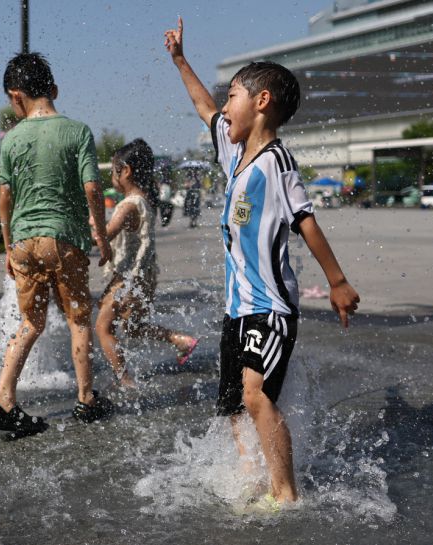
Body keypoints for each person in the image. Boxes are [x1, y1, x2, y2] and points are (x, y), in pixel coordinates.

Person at [164, 18, 360, 508]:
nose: (224, 105)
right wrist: (181, 61)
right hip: (237, 308)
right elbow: (201, 106)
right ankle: (253, 476)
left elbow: (307, 221)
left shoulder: (277, 162)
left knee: (255, 396)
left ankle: (285, 493)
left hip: (269, 306)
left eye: (233, 95)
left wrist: (337, 282)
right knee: (233, 404)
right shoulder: (233, 155)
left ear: (262, 101)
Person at [0, 52, 115, 436]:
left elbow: (4, 198)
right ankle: (86, 398)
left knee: (30, 322)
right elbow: (92, 186)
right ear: (53, 90)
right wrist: (102, 237)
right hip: (63, 239)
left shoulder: (11, 140)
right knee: (78, 318)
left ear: (15, 96)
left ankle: (3, 399)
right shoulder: (77, 131)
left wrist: (9, 247)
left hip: (24, 241)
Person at [92, 139, 199, 389]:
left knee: (102, 327)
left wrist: (86, 227)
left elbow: (105, 234)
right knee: (133, 327)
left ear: (126, 171)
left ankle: (124, 380)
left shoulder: (128, 205)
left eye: (114, 172)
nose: (112, 178)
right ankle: (179, 339)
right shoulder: (144, 201)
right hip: (143, 276)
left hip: (128, 279)